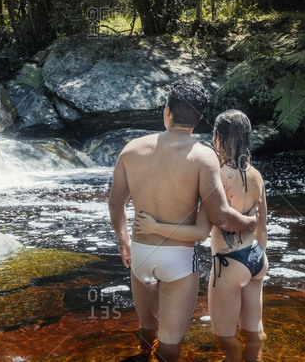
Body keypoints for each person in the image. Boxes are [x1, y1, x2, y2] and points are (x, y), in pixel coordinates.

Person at [108, 81, 259, 362]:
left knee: (146, 330)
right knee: (170, 344)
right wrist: (250, 223)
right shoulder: (203, 157)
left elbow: (116, 202)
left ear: (167, 113)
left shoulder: (131, 150)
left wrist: (124, 242)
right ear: (199, 119)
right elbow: (222, 217)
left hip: (140, 252)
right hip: (178, 258)